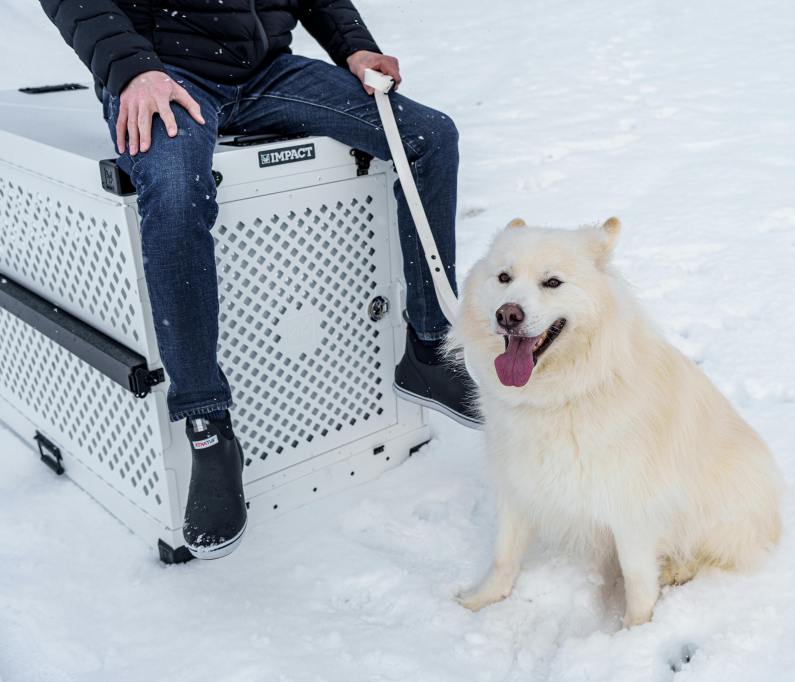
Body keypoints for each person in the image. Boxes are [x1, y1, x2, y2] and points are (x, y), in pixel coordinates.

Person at [40, 0, 481, 560]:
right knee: (175, 187)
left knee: (429, 137)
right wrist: (129, 69)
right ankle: (208, 429)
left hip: (268, 71)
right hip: (162, 72)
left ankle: (426, 350)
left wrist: (353, 45)